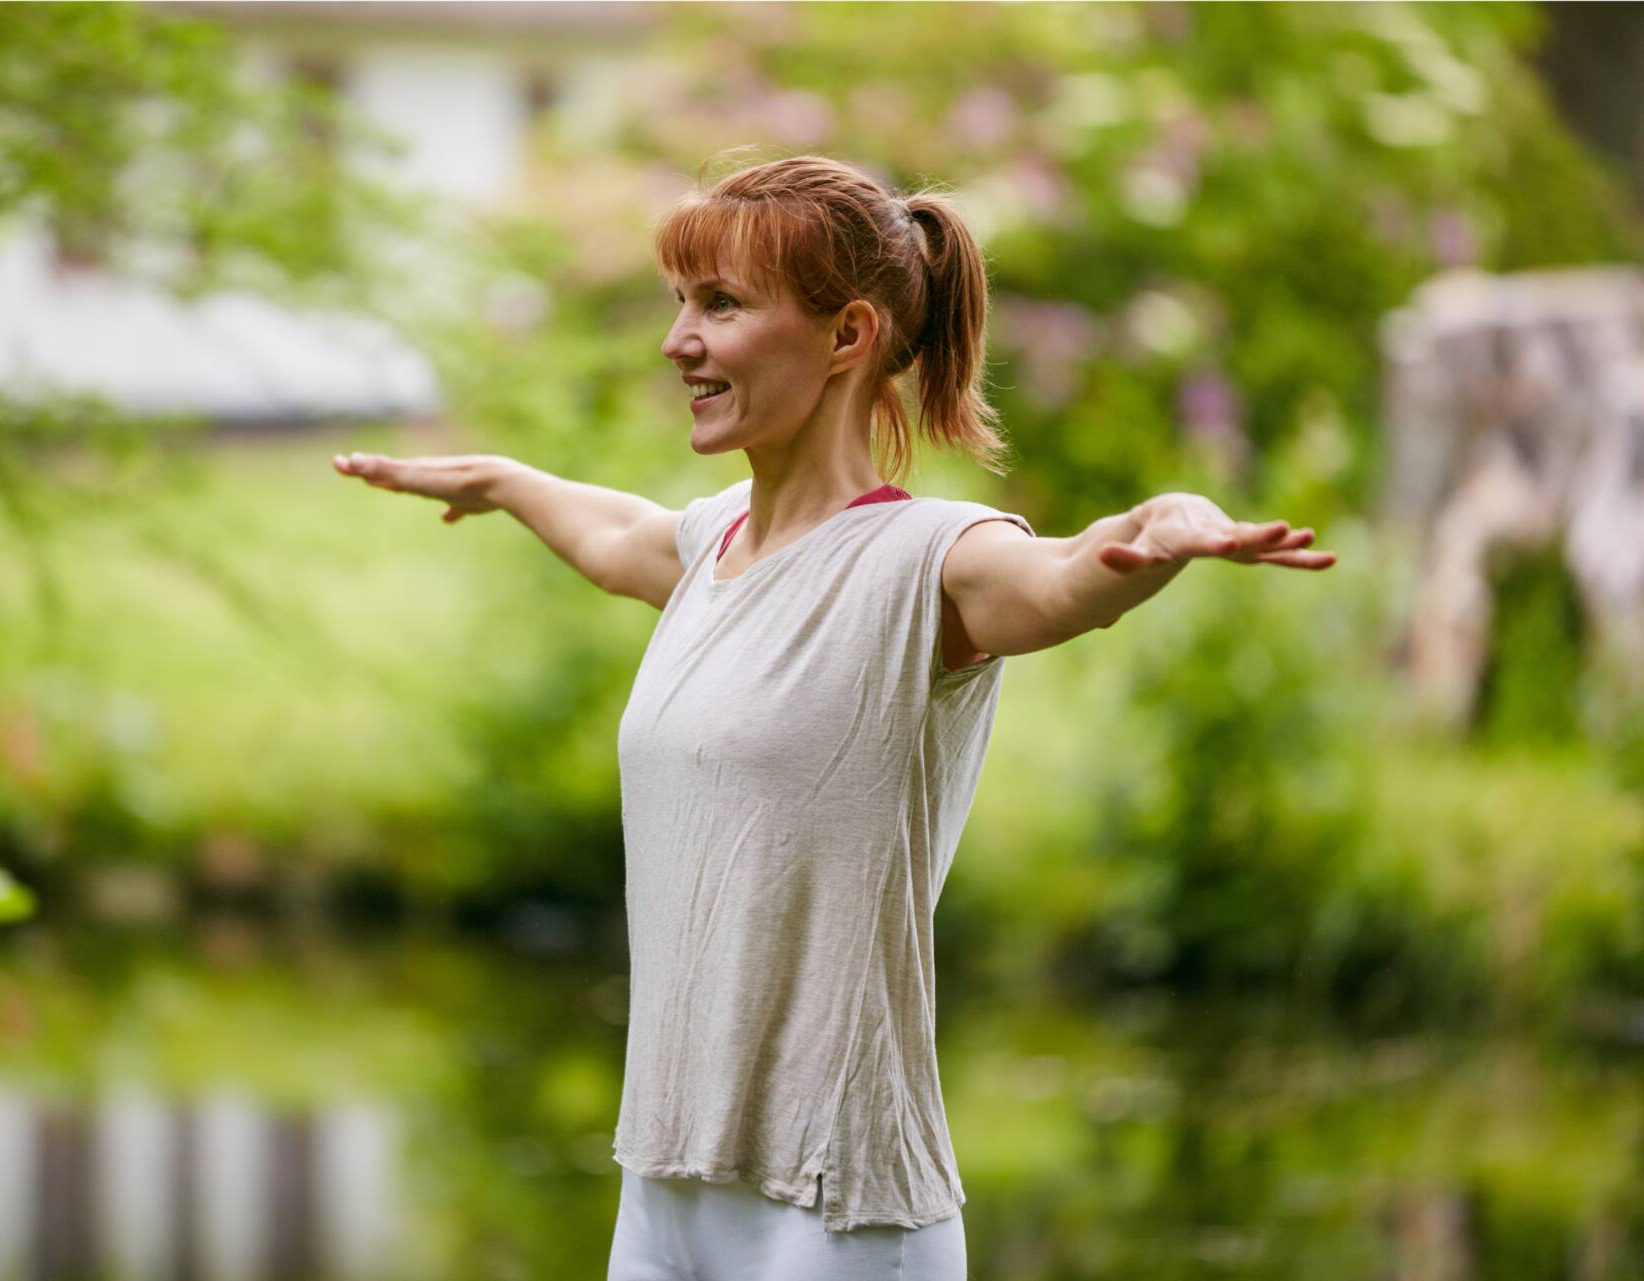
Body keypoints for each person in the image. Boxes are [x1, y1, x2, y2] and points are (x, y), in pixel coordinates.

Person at [333, 154, 1334, 1280]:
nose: (678, 341)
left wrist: (1160, 534)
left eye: (720, 305)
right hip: (664, 1188)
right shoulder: (715, 546)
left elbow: (1058, 582)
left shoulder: (932, 560)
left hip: (835, 1211)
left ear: (848, 336)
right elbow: (616, 534)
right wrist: (505, 480)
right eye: (679, 303)